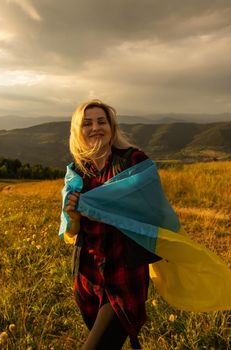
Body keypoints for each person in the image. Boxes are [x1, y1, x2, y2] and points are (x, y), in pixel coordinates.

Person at [63, 99, 160, 349]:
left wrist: (107, 213)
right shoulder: (76, 173)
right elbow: (72, 232)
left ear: (111, 126)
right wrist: (74, 218)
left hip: (123, 276)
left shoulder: (134, 162)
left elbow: (153, 215)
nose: (95, 127)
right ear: (78, 131)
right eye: (87, 123)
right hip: (88, 278)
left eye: (101, 121)